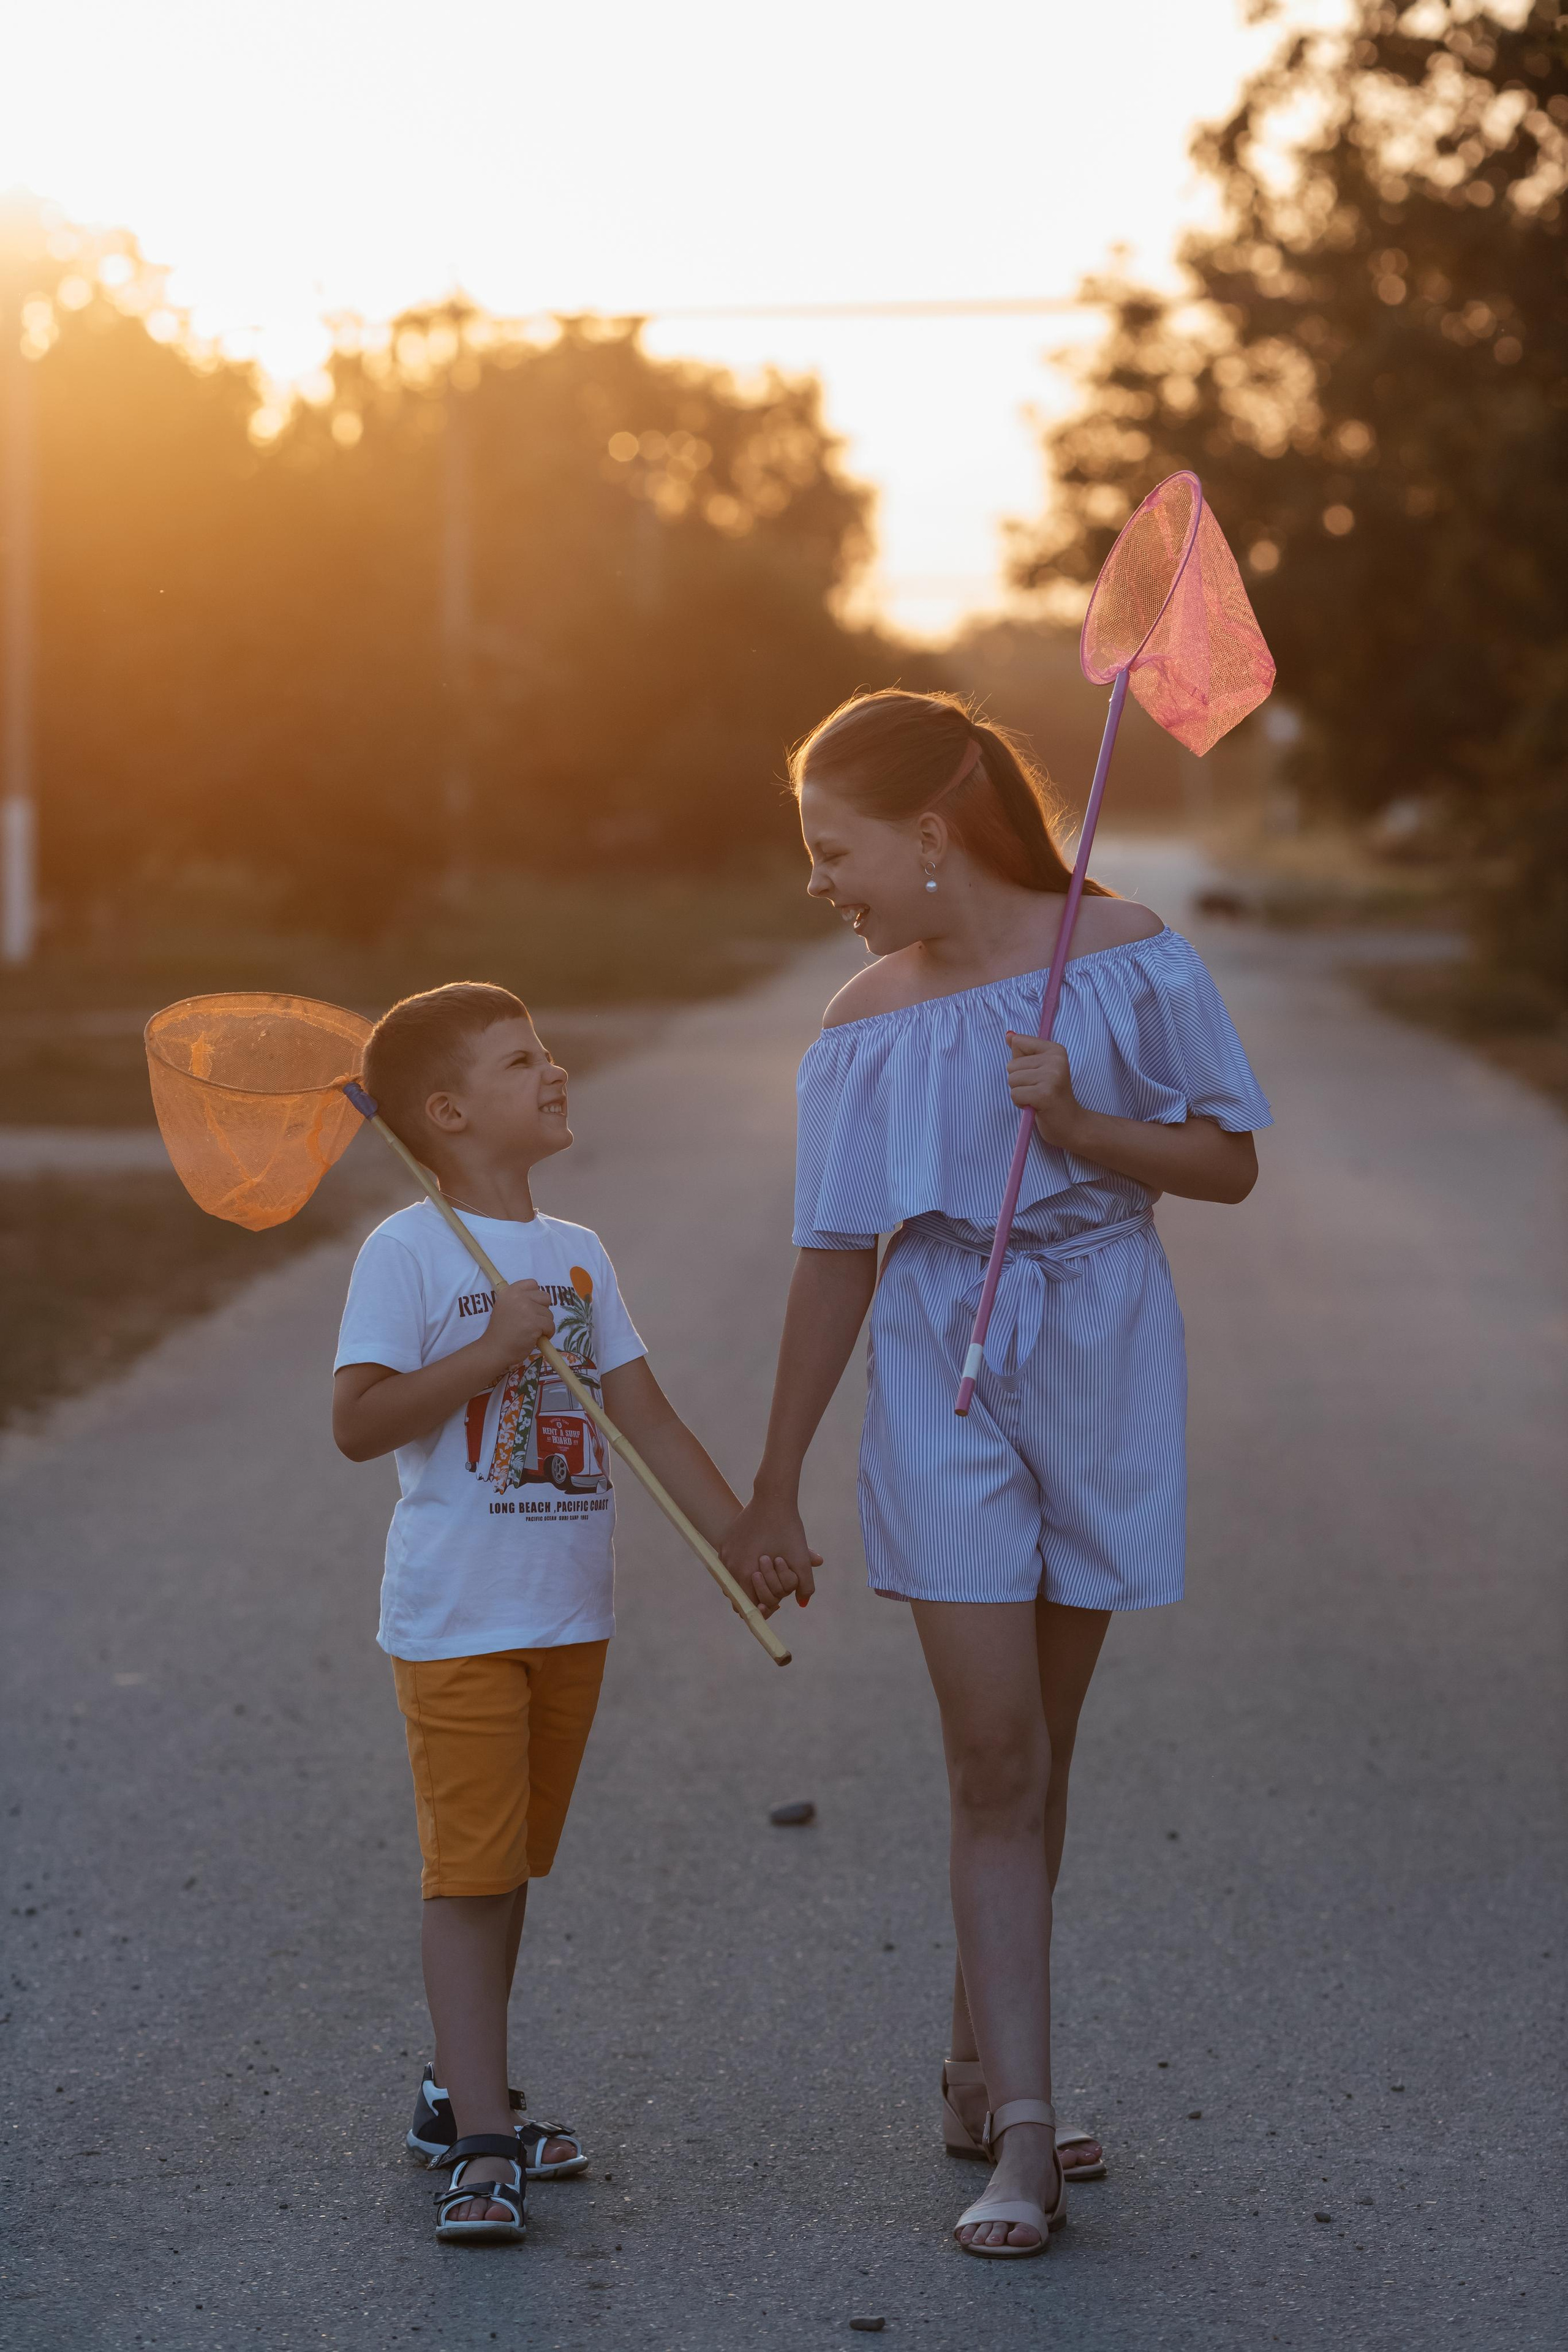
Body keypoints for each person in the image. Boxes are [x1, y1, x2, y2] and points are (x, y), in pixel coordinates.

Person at [721, 691, 1271, 2258]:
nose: (818, 881)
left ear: (930, 833)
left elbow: (1228, 1162)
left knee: (1040, 1750)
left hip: (1100, 1347)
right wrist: (774, 1483)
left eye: (832, 849)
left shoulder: (1129, 956)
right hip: (939, 1358)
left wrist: (1080, 1122)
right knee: (989, 1752)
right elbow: (834, 1254)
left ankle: (978, 2071)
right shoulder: (861, 1023)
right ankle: (1024, 2133)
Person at [333, 982, 751, 2244]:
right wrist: (488, 1352)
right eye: (520, 1063)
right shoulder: (408, 1250)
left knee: (508, 1866)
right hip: (460, 1615)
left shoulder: (578, 1252)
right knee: (467, 1876)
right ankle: (480, 2139)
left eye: (547, 1052)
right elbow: (358, 1422)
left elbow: (645, 1415)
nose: (554, 1071)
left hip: (567, 1614)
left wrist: (738, 1538)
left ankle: (459, 2092)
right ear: (447, 1113)